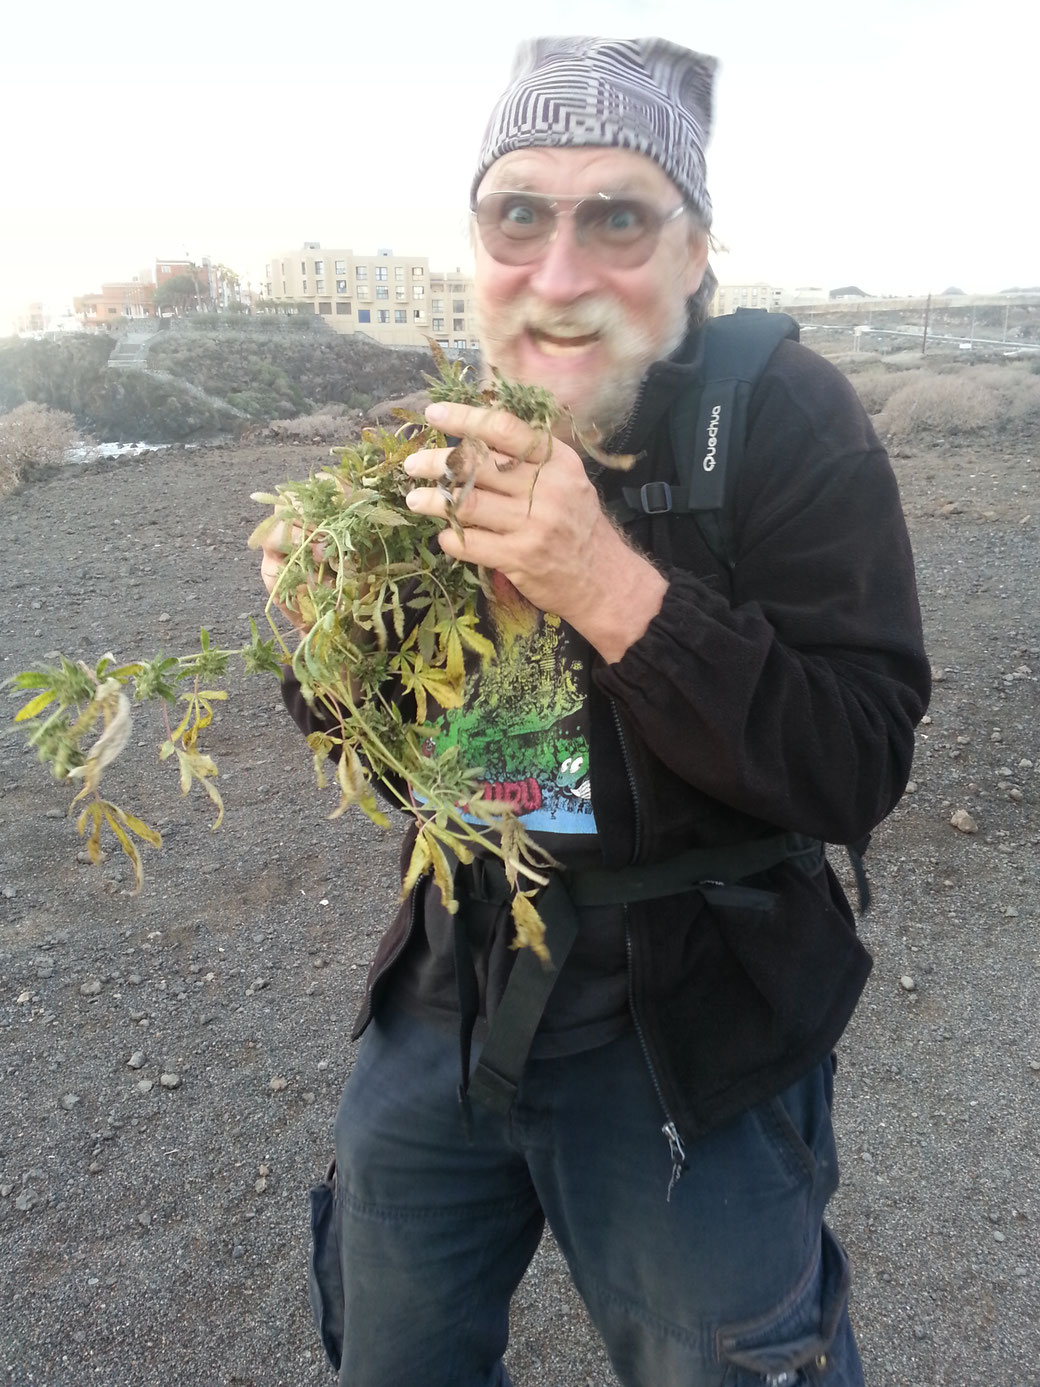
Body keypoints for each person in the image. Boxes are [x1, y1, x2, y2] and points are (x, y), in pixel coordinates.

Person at [260, 35, 930, 1387]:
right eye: (520, 215)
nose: (559, 277)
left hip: (694, 1026)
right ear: (476, 241)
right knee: (391, 1350)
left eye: (618, 216)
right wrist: (323, 649)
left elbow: (855, 762)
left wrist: (606, 586)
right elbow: (402, 757)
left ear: (692, 252)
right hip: (458, 978)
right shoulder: (438, 438)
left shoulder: (783, 416)